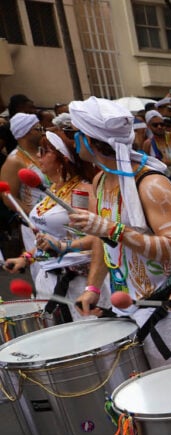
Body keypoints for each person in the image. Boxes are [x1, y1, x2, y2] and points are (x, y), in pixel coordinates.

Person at [72, 97, 171, 368]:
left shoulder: (151, 184)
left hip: (166, 313)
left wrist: (113, 229)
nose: (74, 140)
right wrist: (93, 287)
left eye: (78, 134)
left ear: (91, 141)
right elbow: (103, 240)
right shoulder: (101, 179)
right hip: (122, 308)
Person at [3, 128, 100, 321]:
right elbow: (49, 237)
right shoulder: (51, 191)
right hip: (47, 278)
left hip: (78, 283)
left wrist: (66, 247)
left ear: (62, 158)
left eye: (45, 152)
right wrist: (26, 257)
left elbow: (101, 237)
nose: (39, 157)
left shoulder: (82, 192)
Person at [1, 111, 45, 255]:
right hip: (35, 226)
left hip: (55, 221)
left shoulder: (44, 152)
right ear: (26, 133)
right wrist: (33, 216)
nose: (42, 131)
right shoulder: (14, 160)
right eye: (37, 128)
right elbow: (8, 197)